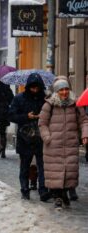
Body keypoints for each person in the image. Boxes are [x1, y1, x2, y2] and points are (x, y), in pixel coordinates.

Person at [38, 77, 88, 209]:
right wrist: (48, 138)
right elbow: (42, 124)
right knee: (56, 172)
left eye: (66, 89)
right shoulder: (49, 105)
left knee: (69, 172)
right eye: (61, 90)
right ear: (56, 91)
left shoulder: (75, 104)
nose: (64, 92)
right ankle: (57, 197)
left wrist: (85, 134)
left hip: (71, 143)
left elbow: (84, 121)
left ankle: (64, 194)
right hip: (53, 145)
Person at [9, 73, 49, 201]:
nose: (35, 90)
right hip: (25, 138)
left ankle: (43, 190)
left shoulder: (45, 99)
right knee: (25, 166)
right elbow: (11, 116)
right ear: (28, 87)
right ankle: (25, 190)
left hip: (40, 137)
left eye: (37, 88)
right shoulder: (19, 98)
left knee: (42, 166)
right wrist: (27, 116)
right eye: (33, 88)